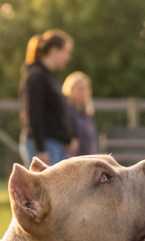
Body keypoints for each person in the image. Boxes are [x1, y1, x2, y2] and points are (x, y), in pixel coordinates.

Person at [19, 30, 74, 166]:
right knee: (44, 188)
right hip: (45, 145)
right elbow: (34, 113)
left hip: (54, 144)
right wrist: (40, 149)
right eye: (67, 51)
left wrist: (67, 138)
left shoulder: (52, 77)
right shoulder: (37, 76)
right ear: (54, 50)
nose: (68, 57)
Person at [63, 71, 99, 156]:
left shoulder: (87, 113)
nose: (84, 92)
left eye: (86, 88)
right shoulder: (66, 111)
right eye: (80, 88)